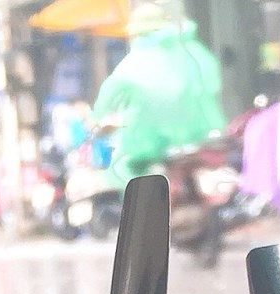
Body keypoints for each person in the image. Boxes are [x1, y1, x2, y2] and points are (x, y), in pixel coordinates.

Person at [93, 1, 226, 183]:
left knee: (119, 176)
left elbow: (104, 104)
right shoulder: (199, 52)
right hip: (205, 143)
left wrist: (98, 119)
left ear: (138, 33)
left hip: (149, 151)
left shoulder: (132, 64)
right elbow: (213, 84)